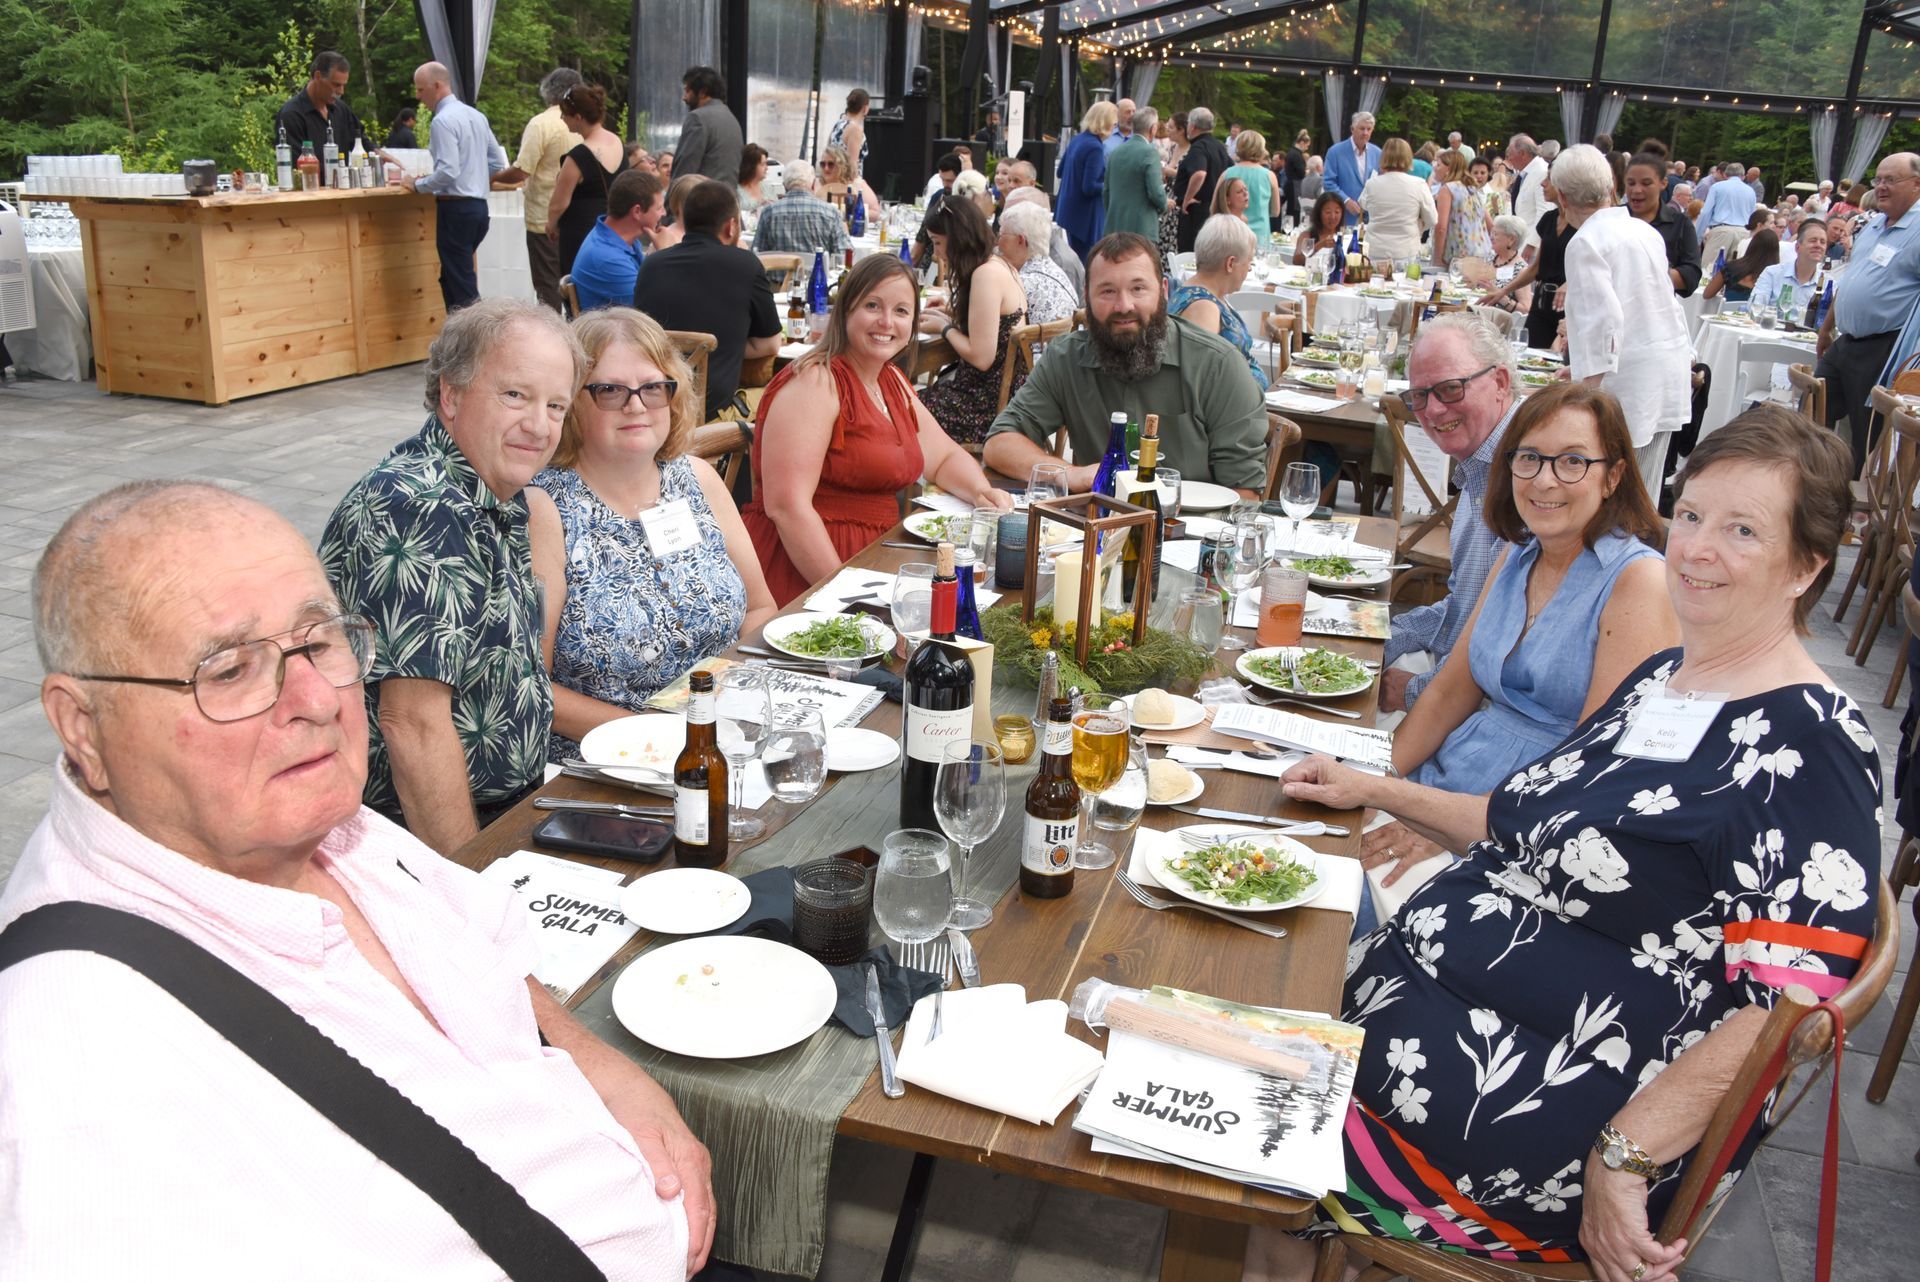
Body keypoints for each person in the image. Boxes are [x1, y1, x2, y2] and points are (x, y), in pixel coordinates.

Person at [7, 481, 714, 1278]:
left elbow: (485, 959)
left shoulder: (318, 823)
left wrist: (610, 1074)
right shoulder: (70, 1063)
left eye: (318, 642)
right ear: (80, 726)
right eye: (231, 669)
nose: (317, 700)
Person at [1251, 408, 1878, 1281]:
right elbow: (1523, 823)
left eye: (1742, 531)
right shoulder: (1668, 680)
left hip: (1534, 1113)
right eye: (1691, 515)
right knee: (1254, 916)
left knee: (1245, 1136)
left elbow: (1791, 1008)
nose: (1696, 549)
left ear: (1806, 566)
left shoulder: (1807, 744)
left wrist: (1625, 1158)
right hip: (1423, 1008)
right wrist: (1373, 789)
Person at [1364, 382, 1676, 893]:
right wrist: (1382, 782)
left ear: (1613, 475)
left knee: (1349, 893)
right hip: (1456, 776)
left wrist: (1446, 826)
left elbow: (1590, 763)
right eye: (1529, 458)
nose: (1545, 480)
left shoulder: (1637, 582)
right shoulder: (1518, 554)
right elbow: (1448, 692)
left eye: (1572, 462)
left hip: (1530, 823)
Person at [321, 300, 584, 852]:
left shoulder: (487, 492)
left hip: (503, 807)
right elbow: (411, 725)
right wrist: (473, 885)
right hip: (412, 838)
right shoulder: (424, 508)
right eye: (515, 395)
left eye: (556, 406)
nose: (539, 426)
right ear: (451, 394)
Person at [529, 309, 776, 760]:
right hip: (611, 761)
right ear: (568, 403)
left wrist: (745, 696)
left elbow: (759, 607)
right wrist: (668, 737)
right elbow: (533, 687)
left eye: (653, 388)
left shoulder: (696, 479)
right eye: (609, 390)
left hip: (726, 738)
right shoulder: (545, 510)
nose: (636, 405)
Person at [742, 256, 1012, 603]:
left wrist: (980, 492)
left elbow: (942, 457)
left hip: (877, 560)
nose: (886, 321)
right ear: (846, 311)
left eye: (901, 311)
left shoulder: (891, 381)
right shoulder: (816, 382)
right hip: (810, 573)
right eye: (872, 305)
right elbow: (787, 507)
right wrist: (847, 596)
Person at [984, 232, 1267, 495]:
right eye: (1107, 291)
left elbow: (1245, 492)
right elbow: (1000, 444)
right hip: (1095, 530)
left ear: (1164, 290)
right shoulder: (1066, 358)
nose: (1123, 306)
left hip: (1190, 534)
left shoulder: (1218, 366)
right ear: (1087, 297)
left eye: (1138, 288)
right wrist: (1072, 475)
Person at [1380, 316, 1520, 714]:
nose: (1434, 410)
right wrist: (1381, 637)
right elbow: (1464, 607)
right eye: (1419, 396)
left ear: (1500, 382)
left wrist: (1414, 691)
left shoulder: (1529, 479)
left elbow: (1518, 661)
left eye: (1450, 388)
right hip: (1456, 685)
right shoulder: (1480, 468)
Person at [1555, 144, 1689, 495]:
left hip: (1630, 385)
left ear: (1563, 198)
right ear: (1611, 186)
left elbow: (1603, 321)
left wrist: (1583, 391)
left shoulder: (1586, 241)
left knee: (1617, 494)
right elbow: (1654, 307)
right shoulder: (1644, 231)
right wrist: (1582, 369)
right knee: (1644, 488)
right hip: (1664, 371)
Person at [633, 182, 786, 421]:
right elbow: (771, 345)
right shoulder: (745, 265)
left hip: (655, 408)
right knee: (781, 395)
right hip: (712, 414)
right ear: (731, 226)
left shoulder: (651, 265)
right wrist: (721, 346)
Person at [1817, 152, 1920, 472]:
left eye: (1892, 180)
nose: (1882, 187)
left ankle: (1859, 511)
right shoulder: (1874, 224)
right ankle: (1810, 489)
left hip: (1883, 347)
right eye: (1879, 180)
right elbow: (1852, 280)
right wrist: (1826, 329)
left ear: (1917, 184)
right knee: (1811, 417)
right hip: (1846, 341)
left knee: (1867, 435)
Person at [391, 62, 518, 312]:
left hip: (455, 210)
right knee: (452, 278)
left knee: (461, 285)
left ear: (437, 86)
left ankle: (474, 342)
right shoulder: (476, 116)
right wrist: (477, 177)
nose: (418, 97)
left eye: (421, 90)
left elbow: (448, 171)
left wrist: (417, 184)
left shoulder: (442, 121)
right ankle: (458, 339)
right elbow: (496, 161)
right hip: (479, 208)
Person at [917, 197, 1029, 446]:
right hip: (1005, 398)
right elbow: (994, 326)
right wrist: (951, 314)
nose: (935, 253)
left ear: (957, 239)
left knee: (901, 407)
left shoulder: (985, 274)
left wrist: (944, 328)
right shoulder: (999, 264)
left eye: (937, 243)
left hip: (985, 409)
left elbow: (981, 357)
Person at [514, 68, 586, 313]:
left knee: (547, 287)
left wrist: (490, 176)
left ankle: (551, 341)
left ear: (548, 92)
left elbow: (522, 170)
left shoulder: (541, 124)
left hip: (544, 217)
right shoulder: (587, 124)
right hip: (579, 218)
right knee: (576, 285)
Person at [1169, 214, 1268, 392]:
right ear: (1230, 263)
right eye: (1249, 263)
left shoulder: (1206, 294)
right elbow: (1199, 380)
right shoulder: (1203, 307)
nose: (1249, 269)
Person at [1481, 173, 1575, 350]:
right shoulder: (1549, 219)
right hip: (1542, 301)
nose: (1543, 183)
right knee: (1529, 355)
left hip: (1567, 303)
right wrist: (1504, 291)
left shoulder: (1581, 223)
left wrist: (1571, 282)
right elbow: (1536, 268)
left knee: (1561, 364)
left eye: (1549, 179)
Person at [548, 84, 630, 283]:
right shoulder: (617, 142)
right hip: (614, 227)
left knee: (577, 287)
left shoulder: (578, 156)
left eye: (564, 115)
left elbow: (559, 203)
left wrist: (551, 225)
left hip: (581, 232)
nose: (562, 119)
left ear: (578, 118)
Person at [570, 169, 668, 313]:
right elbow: (659, 308)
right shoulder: (607, 258)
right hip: (616, 333)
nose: (664, 213)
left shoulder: (617, 237)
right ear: (637, 211)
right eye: (659, 208)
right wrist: (667, 254)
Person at [1624, 151, 1702, 297]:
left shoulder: (1680, 224)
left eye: (1646, 183)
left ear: (1663, 183)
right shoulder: (1612, 219)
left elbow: (1692, 275)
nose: (1637, 190)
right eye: (1631, 183)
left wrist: (1647, 275)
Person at [275, 51, 364, 176]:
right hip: (309, 192)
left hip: (341, 189)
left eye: (344, 85)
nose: (341, 91)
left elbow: (360, 138)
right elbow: (295, 168)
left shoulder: (341, 109)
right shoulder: (291, 114)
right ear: (318, 76)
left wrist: (379, 155)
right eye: (336, 85)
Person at [999, 200, 1078, 326]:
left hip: (1035, 345)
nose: (998, 244)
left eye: (1001, 235)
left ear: (1020, 240)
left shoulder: (1021, 284)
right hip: (1061, 344)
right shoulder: (1056, 272)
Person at [1361, 138, 1437, 267]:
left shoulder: (1372, 183)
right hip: (1406, 249)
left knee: (1373, 286)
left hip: (1376, 249)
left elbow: (1363, 204)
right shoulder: (1418, 184)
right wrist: (1418, 227)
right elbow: (1432, 218)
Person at [1005, 186, 1087, 304]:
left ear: (1038, 218)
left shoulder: (1060, 261)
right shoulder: (1027, 251)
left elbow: (1066, 318)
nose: (1003, 222)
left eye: (1012, 216)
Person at [751, 161, 849, 256]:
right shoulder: (830, 212)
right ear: (813, 185)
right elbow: (843, 254)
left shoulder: (769, 213)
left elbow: (756, 254)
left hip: (779, 272)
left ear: (784, 186)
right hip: (817, 272)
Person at [1059, 102, 1117, 260]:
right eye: (1113, 123)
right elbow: (1089, 187)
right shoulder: (1095, 147)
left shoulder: (1077, 140)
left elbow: (1060, 171)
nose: (1114, 127)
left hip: (1067, 211)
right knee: (1086, 262)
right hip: (1085, 218)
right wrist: (1111, 186)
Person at [1104, 105, 1169, 240]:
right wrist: (1164, 205)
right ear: (1153, 128)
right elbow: (1156, 191)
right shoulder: (1150, 153)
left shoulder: (1116, 152)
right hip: (1141, 228)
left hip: (1114, 227)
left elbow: (1106, 191)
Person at [1175, 107, 1234, 253]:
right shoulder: (1219, 146)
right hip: (1213, 209)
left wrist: (1187, 198)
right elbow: (1230, 171)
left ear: (1193, 126)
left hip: (1196, 212)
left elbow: (1199, 173)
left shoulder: (1199, 147)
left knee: (1190, 253)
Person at [677, 66, 743, 184]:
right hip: (727, 198)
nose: (684, 98)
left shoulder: (697, 118)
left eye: (688, 91)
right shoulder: (731, 119)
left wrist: (671, 200)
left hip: (701, 198)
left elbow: (684, 171)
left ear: (702, 92)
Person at [1752, 222, 1828, 318]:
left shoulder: (1829, 284)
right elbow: (1756, 306)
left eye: (1823, 242)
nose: (1818, 245)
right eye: (1813, 241)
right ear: (1797, 247)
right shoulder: (1772, 273)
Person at [1433, 149, 1494, 267]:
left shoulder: (1447, 189)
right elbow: (1490, 224)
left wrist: (1437, 259)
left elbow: (1441, 228)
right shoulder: (1472, 188)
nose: (1435, 168)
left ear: (1448, 169)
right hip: (1482, 253)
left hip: (1458, 256)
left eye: (1439, 165)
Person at [1323, 111, 1381, 228]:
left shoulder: (1378, 153)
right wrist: (1346, 201)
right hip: (1343, 217)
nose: (1365, 133)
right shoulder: (1335, 152)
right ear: (1352, 129)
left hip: (1370, 221)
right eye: (1362, 128)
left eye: (1369, 129)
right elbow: (1328, 183)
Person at [1696, 160, 1758, 266]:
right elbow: (1753, 215)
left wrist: (1697, 237)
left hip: (1721, 230)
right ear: (1743, 176)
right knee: (1735, 272)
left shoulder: (1717, 187)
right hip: (1743, 232)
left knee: (1708, 269)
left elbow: (1706, 212)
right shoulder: (1750, 191)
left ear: (1725, 174)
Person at [1223, 129, 1280, 243]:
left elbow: (1216, 206)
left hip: (1232, 234)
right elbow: (1275, 211)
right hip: (1259, 237)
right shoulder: (1269, 176)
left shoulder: (1227, 173)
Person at [1704, 229, 1779, 304]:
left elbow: (1707, 294)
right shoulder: (1775, 276)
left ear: (1752, 245)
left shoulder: (1731, 268)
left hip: (1726, 313)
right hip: (1756, 313)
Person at [1505, 133, 1553, 244]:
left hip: (1530, 243)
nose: (1509, 158)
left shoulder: (1541, 172)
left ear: (1522, 154)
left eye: (1510, 154)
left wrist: (1532, 244)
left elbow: (1544, 212)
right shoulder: (1526, 173)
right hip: (1521, 239)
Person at [1484, 214, 1533, 314]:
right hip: (1478, 315)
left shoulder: (1521, 269)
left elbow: (1526, 309)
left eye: (1495, 234)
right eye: (1491, 233)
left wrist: (1501, 298)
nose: (1491, 237)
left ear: (1511, 239)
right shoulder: (1489, 259)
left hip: (1500, 324)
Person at [818, 144, 879, 222]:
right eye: (823, 164)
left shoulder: (857, 184)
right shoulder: (816, 184)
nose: (826, 168)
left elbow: (875, 213)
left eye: (831, 164)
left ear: (842, 165)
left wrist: (850, 214)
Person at [826, 87, 870, 186]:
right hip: (847, 185)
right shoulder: (855, 129)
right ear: (865, 108)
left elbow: (827, 152)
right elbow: (852, 165)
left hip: (833, 180)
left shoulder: (838, 124)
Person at [1293, 192, 1347, 266]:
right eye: (1328, 212)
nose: (1333, 217)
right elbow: (1296, 260)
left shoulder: (1345, 237)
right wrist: (1319, 246)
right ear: (1319, 213)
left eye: (1337, 212)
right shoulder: (1308, 235)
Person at [1282, 129, 1311, 227]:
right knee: (1294, 211)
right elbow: (1301, 172)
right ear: (1302, 142)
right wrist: (1308, 171)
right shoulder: (1297, 155)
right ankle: (1292, 229)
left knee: (1291, 209)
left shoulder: (1291, 152)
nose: (1307, 148)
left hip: (1291, 183)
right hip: (1295, 185)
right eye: (1307, 145)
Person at [736, 142, 772, 214]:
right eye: (762, 164)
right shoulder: (736, 190)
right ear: (750, 166)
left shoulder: (768, 187)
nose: (766, 168)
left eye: (766, 164)